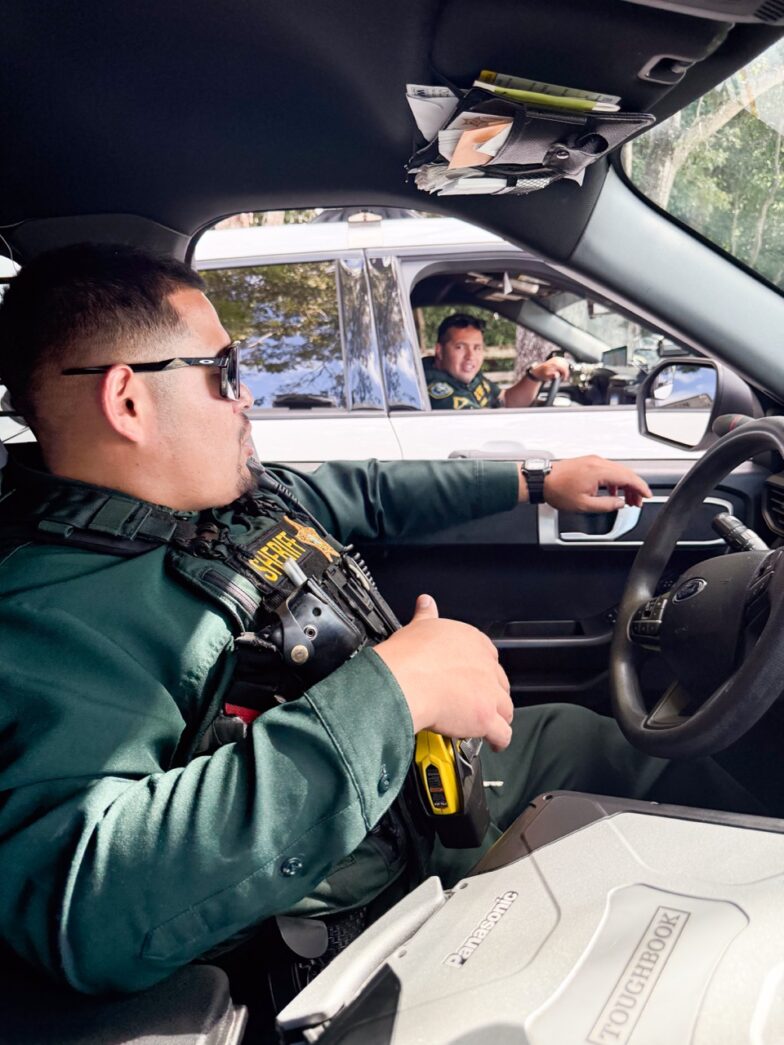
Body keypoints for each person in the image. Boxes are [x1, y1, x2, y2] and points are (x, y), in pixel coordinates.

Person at [0, 245, 760, 1002]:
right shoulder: (52, 619)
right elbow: (84, 905)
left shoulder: (229, 504)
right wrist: (394, 692)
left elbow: (365, 490)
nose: (247, 400)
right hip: (355, 902)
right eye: (225, 373)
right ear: (128, 401)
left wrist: (536, 481)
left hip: (414, 798)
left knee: (615, 749)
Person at [424, 312, 571, 409]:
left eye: (477, 348)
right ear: (439, 350)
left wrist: (534, 376)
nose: (470, 356)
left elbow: (505, 400)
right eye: (460, 347)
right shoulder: (437, 391)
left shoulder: (463, 376)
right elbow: (483, 429)